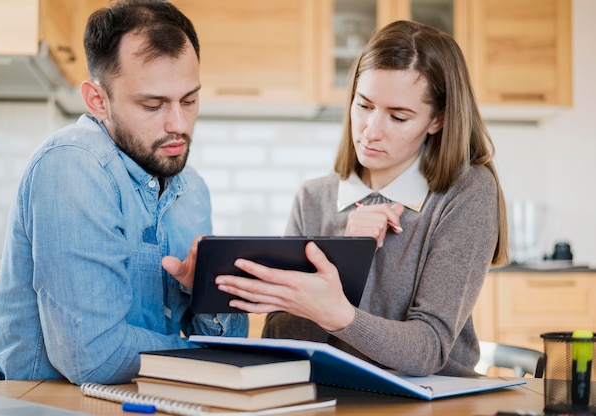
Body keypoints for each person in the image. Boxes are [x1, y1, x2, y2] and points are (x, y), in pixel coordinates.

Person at [209, 20, 509, 377]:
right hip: (334, 395)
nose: (371, 131)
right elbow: (280, 334)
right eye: (364, 105)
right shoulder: (314, 198)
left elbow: (429, 349)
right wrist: (342, 255)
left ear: (437, 120)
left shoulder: (465, 192)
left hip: (437, 400)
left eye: (398, 117)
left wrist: (339, 313)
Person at [0, 0, 248, 385]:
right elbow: (94, 358)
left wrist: (208, 297)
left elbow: (232, 341)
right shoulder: (73, 164)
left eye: (189, 100)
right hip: (49, 405)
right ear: (98, 101)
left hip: (156, 399)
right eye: (153, 104)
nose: (178, 124)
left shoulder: (193, 191)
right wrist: (211, 358)